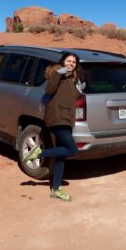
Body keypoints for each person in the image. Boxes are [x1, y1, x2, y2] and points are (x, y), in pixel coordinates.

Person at [23, 52, 85, 201]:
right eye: (69, 61)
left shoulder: (72, 79)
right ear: (63, 62)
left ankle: (55, 190)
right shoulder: (57, 74)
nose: (71, 64)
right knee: (72, 149)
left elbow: (69, 97)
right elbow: (50, 90)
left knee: (61, 157)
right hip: (57, 118)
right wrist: (60, 72)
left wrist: (80, 89)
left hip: (66, 119)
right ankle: (39, 153)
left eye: (74, 62)